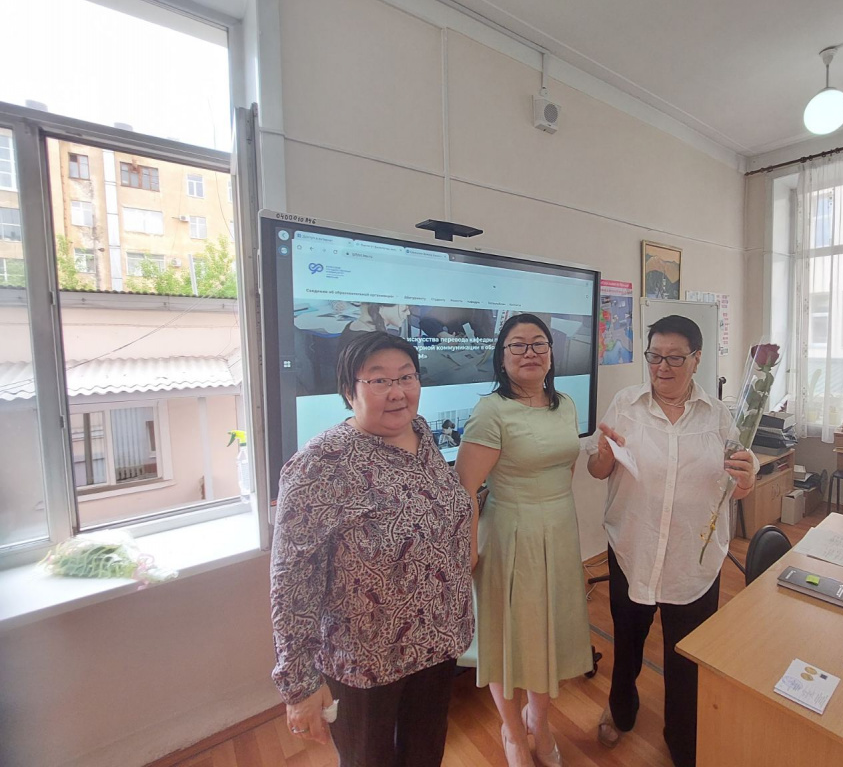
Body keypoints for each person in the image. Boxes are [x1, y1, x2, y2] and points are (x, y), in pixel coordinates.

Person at [270, 331, 475, 767]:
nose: (397, 392)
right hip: (366, 661)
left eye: (407, 376)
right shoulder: (320, 465)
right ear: (349, 391)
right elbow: (292, 582)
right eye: (379, 380)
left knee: (425, 756)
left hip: (437, 643)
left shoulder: (422, 434)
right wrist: (299, 686)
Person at [586, 315, 756, 767]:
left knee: (686, 654)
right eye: (655, 356)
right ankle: (621, 709)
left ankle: (683, 735)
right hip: (633, 548)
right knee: (628, 641)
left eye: (675, 358)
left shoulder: (720, 417)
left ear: (696, 359)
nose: (662, 367)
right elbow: (598, 471)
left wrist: (747, 479)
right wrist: (602, 457)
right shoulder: (625, 404)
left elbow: (738, 485)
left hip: (693, 557)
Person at [456, 313, 592, 767]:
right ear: (502, 357)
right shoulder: (491, 411)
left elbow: (565, 465)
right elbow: (466, 489)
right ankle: (513, 732)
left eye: (539, 344)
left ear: (551, 354)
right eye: (517, 345)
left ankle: (541, 722)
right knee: (506, 635)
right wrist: (469, 550)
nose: (530, 352)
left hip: (560, 528)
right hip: (510, 535)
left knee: (546, 632)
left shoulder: (565, 403)